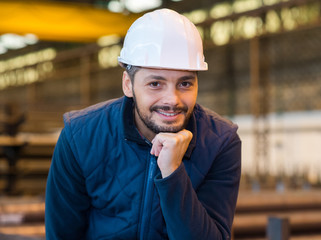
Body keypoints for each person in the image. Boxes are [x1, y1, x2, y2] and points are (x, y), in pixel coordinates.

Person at [45, 8, 241, 240]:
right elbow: (62, 234)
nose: (173, 100)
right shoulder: (81, 137)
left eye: (185, 83)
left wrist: (173, 174)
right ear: (128, 84)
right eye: (156, 84)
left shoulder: (220, 142)